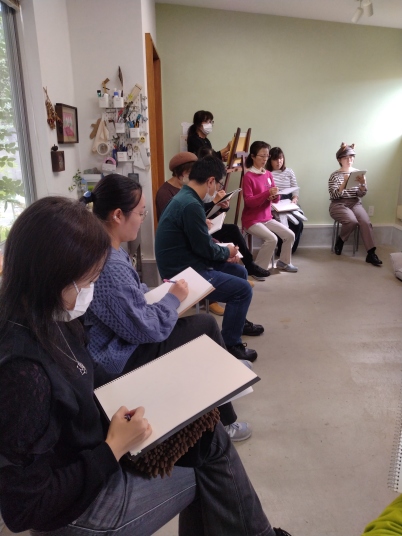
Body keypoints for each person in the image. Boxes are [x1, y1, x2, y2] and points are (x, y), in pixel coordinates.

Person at [0, 196, 292, 536]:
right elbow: (24, 510)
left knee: (205, 435)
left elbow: (83, 381)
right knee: (209, 461)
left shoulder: (51, 316)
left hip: (93, 454)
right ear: (53, 278)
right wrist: (113, 448)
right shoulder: (24, 373)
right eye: (89, 283)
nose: (90, 293)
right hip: (77, 510)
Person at [83, 175, 250, 441]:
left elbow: (133, 293)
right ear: (117, 215)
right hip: (117, 356)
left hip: (122, 339)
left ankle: (224, 370)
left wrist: (163, 295)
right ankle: (227, 420)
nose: (143, 219)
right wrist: (171, 300)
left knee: (198, 324)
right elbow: (148, 329)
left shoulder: (106, 248)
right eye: (141, 213)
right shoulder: (110, 264)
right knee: (205, 325)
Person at [155, 156, 265, 363]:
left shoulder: (186, 198)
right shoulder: (190, 205)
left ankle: (238, 323)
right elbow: (204, 248)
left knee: (240, 272)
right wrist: (227, 252)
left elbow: (199, 242)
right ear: (211, 181)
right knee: (243, 290)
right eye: (218, 184)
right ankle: (231, 344)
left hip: (187, 262)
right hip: (183, 273)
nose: (217, 190)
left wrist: (223, 253)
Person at [242, 141, 298, 274]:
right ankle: (258, 269)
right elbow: (249, 202)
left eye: (267, 156)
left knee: (290, 235)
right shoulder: (248, 177)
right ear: (253, 156)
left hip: (266, 218)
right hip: (252, 220)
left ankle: (284, 262)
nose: (265, 159)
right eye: (262, 156)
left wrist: (275, 195)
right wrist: (267, 193)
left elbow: (275, 199)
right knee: (272, 239)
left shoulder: (268, 174)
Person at [329, 142, 382, 266]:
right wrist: (344, 183)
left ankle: (371, 253)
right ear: (339, 160)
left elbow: (361, 194)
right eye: (346, 158)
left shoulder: (358, 173)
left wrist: (363, 184)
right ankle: (341, 240)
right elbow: (334, 195)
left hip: (355, 203)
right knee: (351, 221)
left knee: (365, 222)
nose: (349, 160)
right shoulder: (334, 176)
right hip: (338, 204)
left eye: (351, 157)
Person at [266, 147, 304, 255]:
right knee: (280, 223)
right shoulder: (267, 173)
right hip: (274, 202)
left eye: (281, 158)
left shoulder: (289, 171)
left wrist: (295, 198)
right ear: (270, 160)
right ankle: (281, 248)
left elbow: (295, 188)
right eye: (275, 159)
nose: (279, 161)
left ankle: (290, 249)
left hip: (288, 201)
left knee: (298, 222)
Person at [155, 151, 197, 221]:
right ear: (178, 172)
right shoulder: (165, 193)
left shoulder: (186, 188)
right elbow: (171, 221)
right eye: (189, 173)